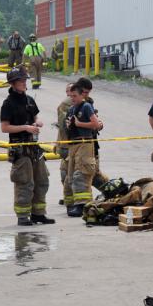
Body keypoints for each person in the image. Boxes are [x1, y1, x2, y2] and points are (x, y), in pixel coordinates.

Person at [0, 68, 54, 226]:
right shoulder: (8, 103)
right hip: (20, 147)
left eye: (25, 80)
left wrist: (38, 122)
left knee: (42, 179)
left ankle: (38, 214)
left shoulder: (30, 99)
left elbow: (35, 116)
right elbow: (5, 127)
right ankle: (23, 216)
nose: (24, 83)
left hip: (34, 146)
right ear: (13, 83)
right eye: (21, 81)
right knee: (25, 182)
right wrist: (25, 127)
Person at [64, 84, 102, 217]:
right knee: (70, 175)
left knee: (81, 173)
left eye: (75, 96)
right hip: (73, 144)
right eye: (71, 95)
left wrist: (79, 124)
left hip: (85, 143)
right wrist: (69, 125)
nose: (72, 98)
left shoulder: (86, 107)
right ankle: (74, 203)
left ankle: (82, 205)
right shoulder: (71, 109)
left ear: (82, 95)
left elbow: (96, 124)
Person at [76, 77, 109, 189]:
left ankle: (112, 192)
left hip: (92, 142)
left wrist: (98, 123)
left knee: (93, 173)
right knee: (86, 174)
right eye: (85, 92)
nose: (87, 95)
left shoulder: (88, 102)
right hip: (79, 144)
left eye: (88, 92)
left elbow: (94, 121)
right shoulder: (73, 103)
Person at [55, 82, 74, 206]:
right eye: (67, 91)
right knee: (64, 173)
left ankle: (72, 199)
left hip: (71, 146)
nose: (68, 95)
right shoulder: (67, 105)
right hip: (63, 145)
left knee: (70, 174)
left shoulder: (67, 104)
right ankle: (69, 196)